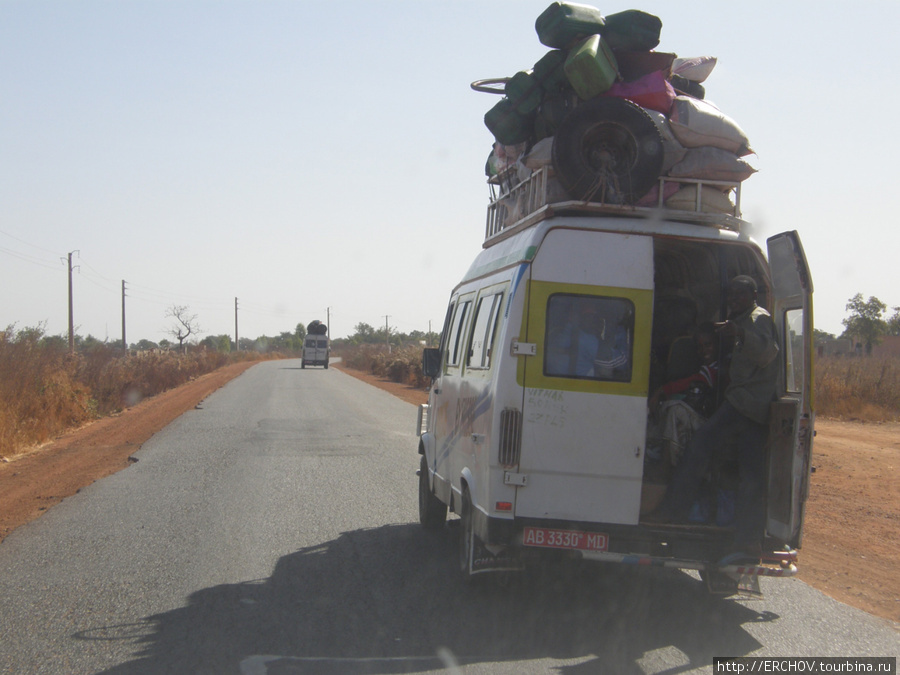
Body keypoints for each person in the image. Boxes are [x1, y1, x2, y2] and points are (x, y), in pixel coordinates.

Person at [648, 276, 779, 566]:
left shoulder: (757, 320)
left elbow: (768, 353)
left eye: (740, 295)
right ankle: (747, 538)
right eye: (730, 294)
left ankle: (673, 510)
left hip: (746, 403)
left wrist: (740, 333)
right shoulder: (743, 318)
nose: (734, 299)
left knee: (700, 447)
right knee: (749, 475)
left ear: (753, 295)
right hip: (748, 406)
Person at [646, 322, 719, 472]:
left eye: (708, 345)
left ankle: (665, 466)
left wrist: (661, 391)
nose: (704, 350)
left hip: (710, 422)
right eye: (700, 347)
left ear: (717, 345)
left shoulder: (716, 369)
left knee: (674, 410)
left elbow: (690, 382)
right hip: (700, 416)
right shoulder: (706, 367)